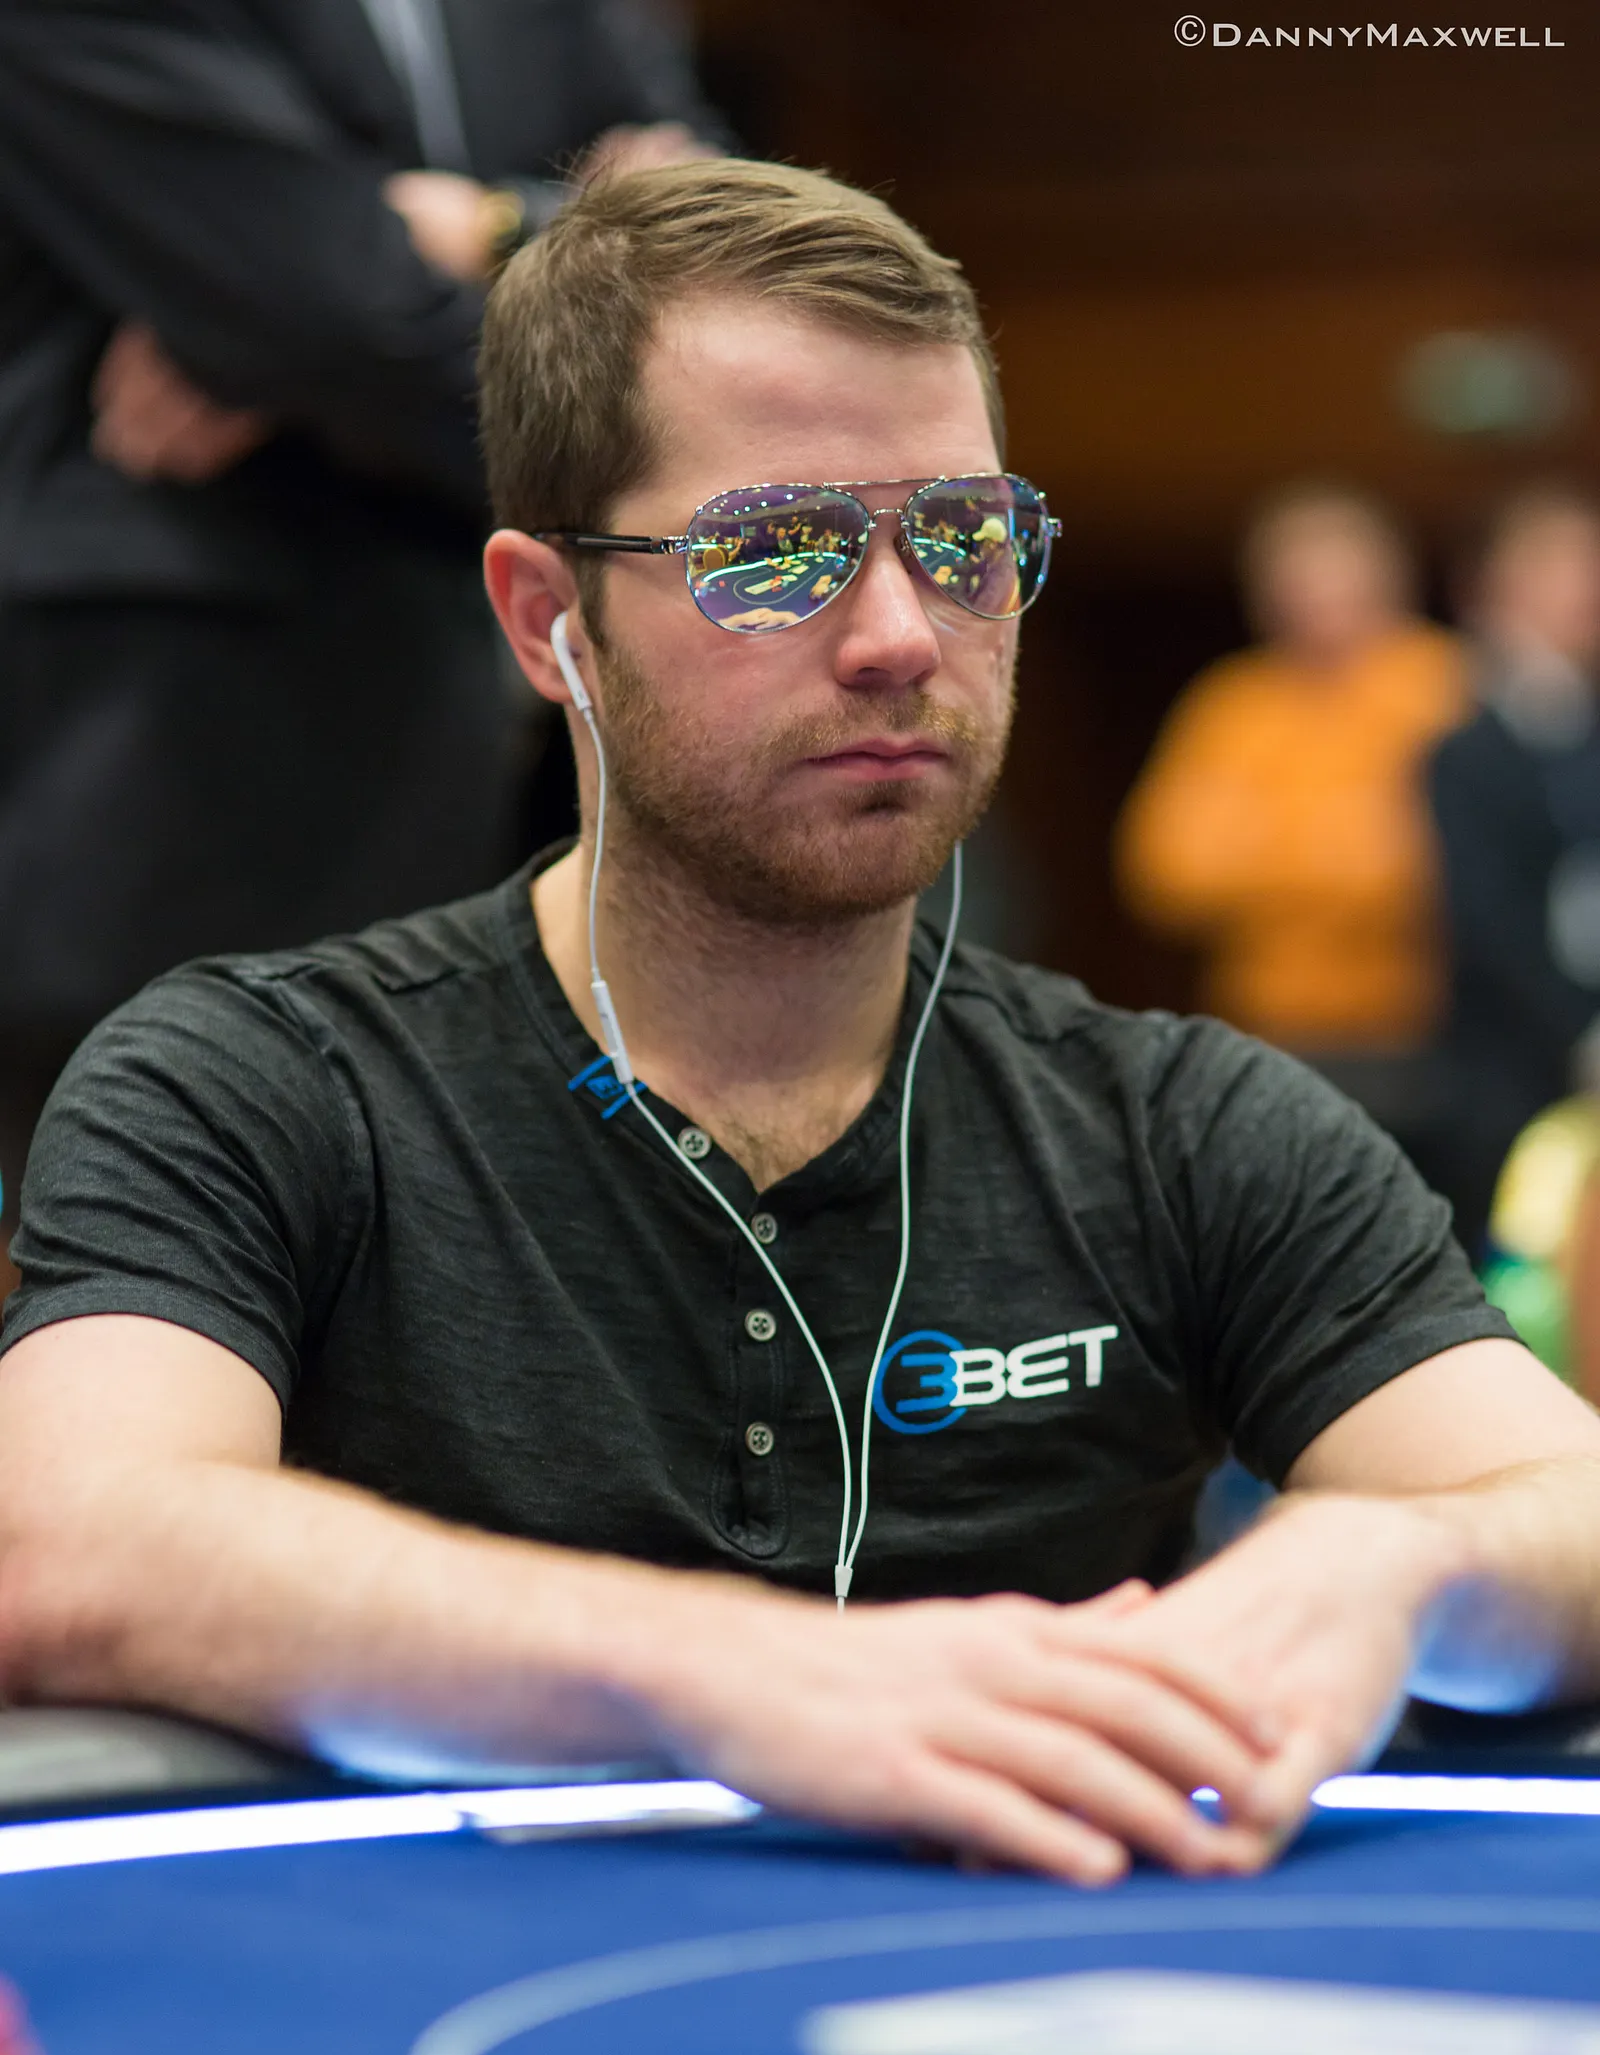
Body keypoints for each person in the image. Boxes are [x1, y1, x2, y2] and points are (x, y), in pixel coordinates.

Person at [3, 161, 1600, 1889]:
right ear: (549, 623)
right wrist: (729, 1677)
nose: (903, 637)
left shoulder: (1182, 1125)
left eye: (967, 542)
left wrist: (1396, 1567)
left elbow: (1561, 1510)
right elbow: (64, 1543)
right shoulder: (257, 1087)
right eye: (777, 554)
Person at [0, 0, 724, 1261]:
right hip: (184, 739)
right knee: (161, 1261)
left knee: (461, 1274)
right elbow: (322, 306)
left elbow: (725, 240)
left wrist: (486, 226)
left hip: (520, 723)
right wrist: (570, 273)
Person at [1115, 485, 1468, 1142]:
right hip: (1273, 1034)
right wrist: (1343, 847)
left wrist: (1266, 846)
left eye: (1338, 578)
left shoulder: (1446, 689)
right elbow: (1165, 871)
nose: (1317, 602)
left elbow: (1449, 869)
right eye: (1297, 582)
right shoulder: (1234, 706)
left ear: (1389, 581)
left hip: (1430, 1032)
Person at [1427, 490, 1600, 1256]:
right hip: (1517, 1078)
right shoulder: (1467, 751)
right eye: (1562, 566)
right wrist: (1581, 1033)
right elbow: (1488, 920)